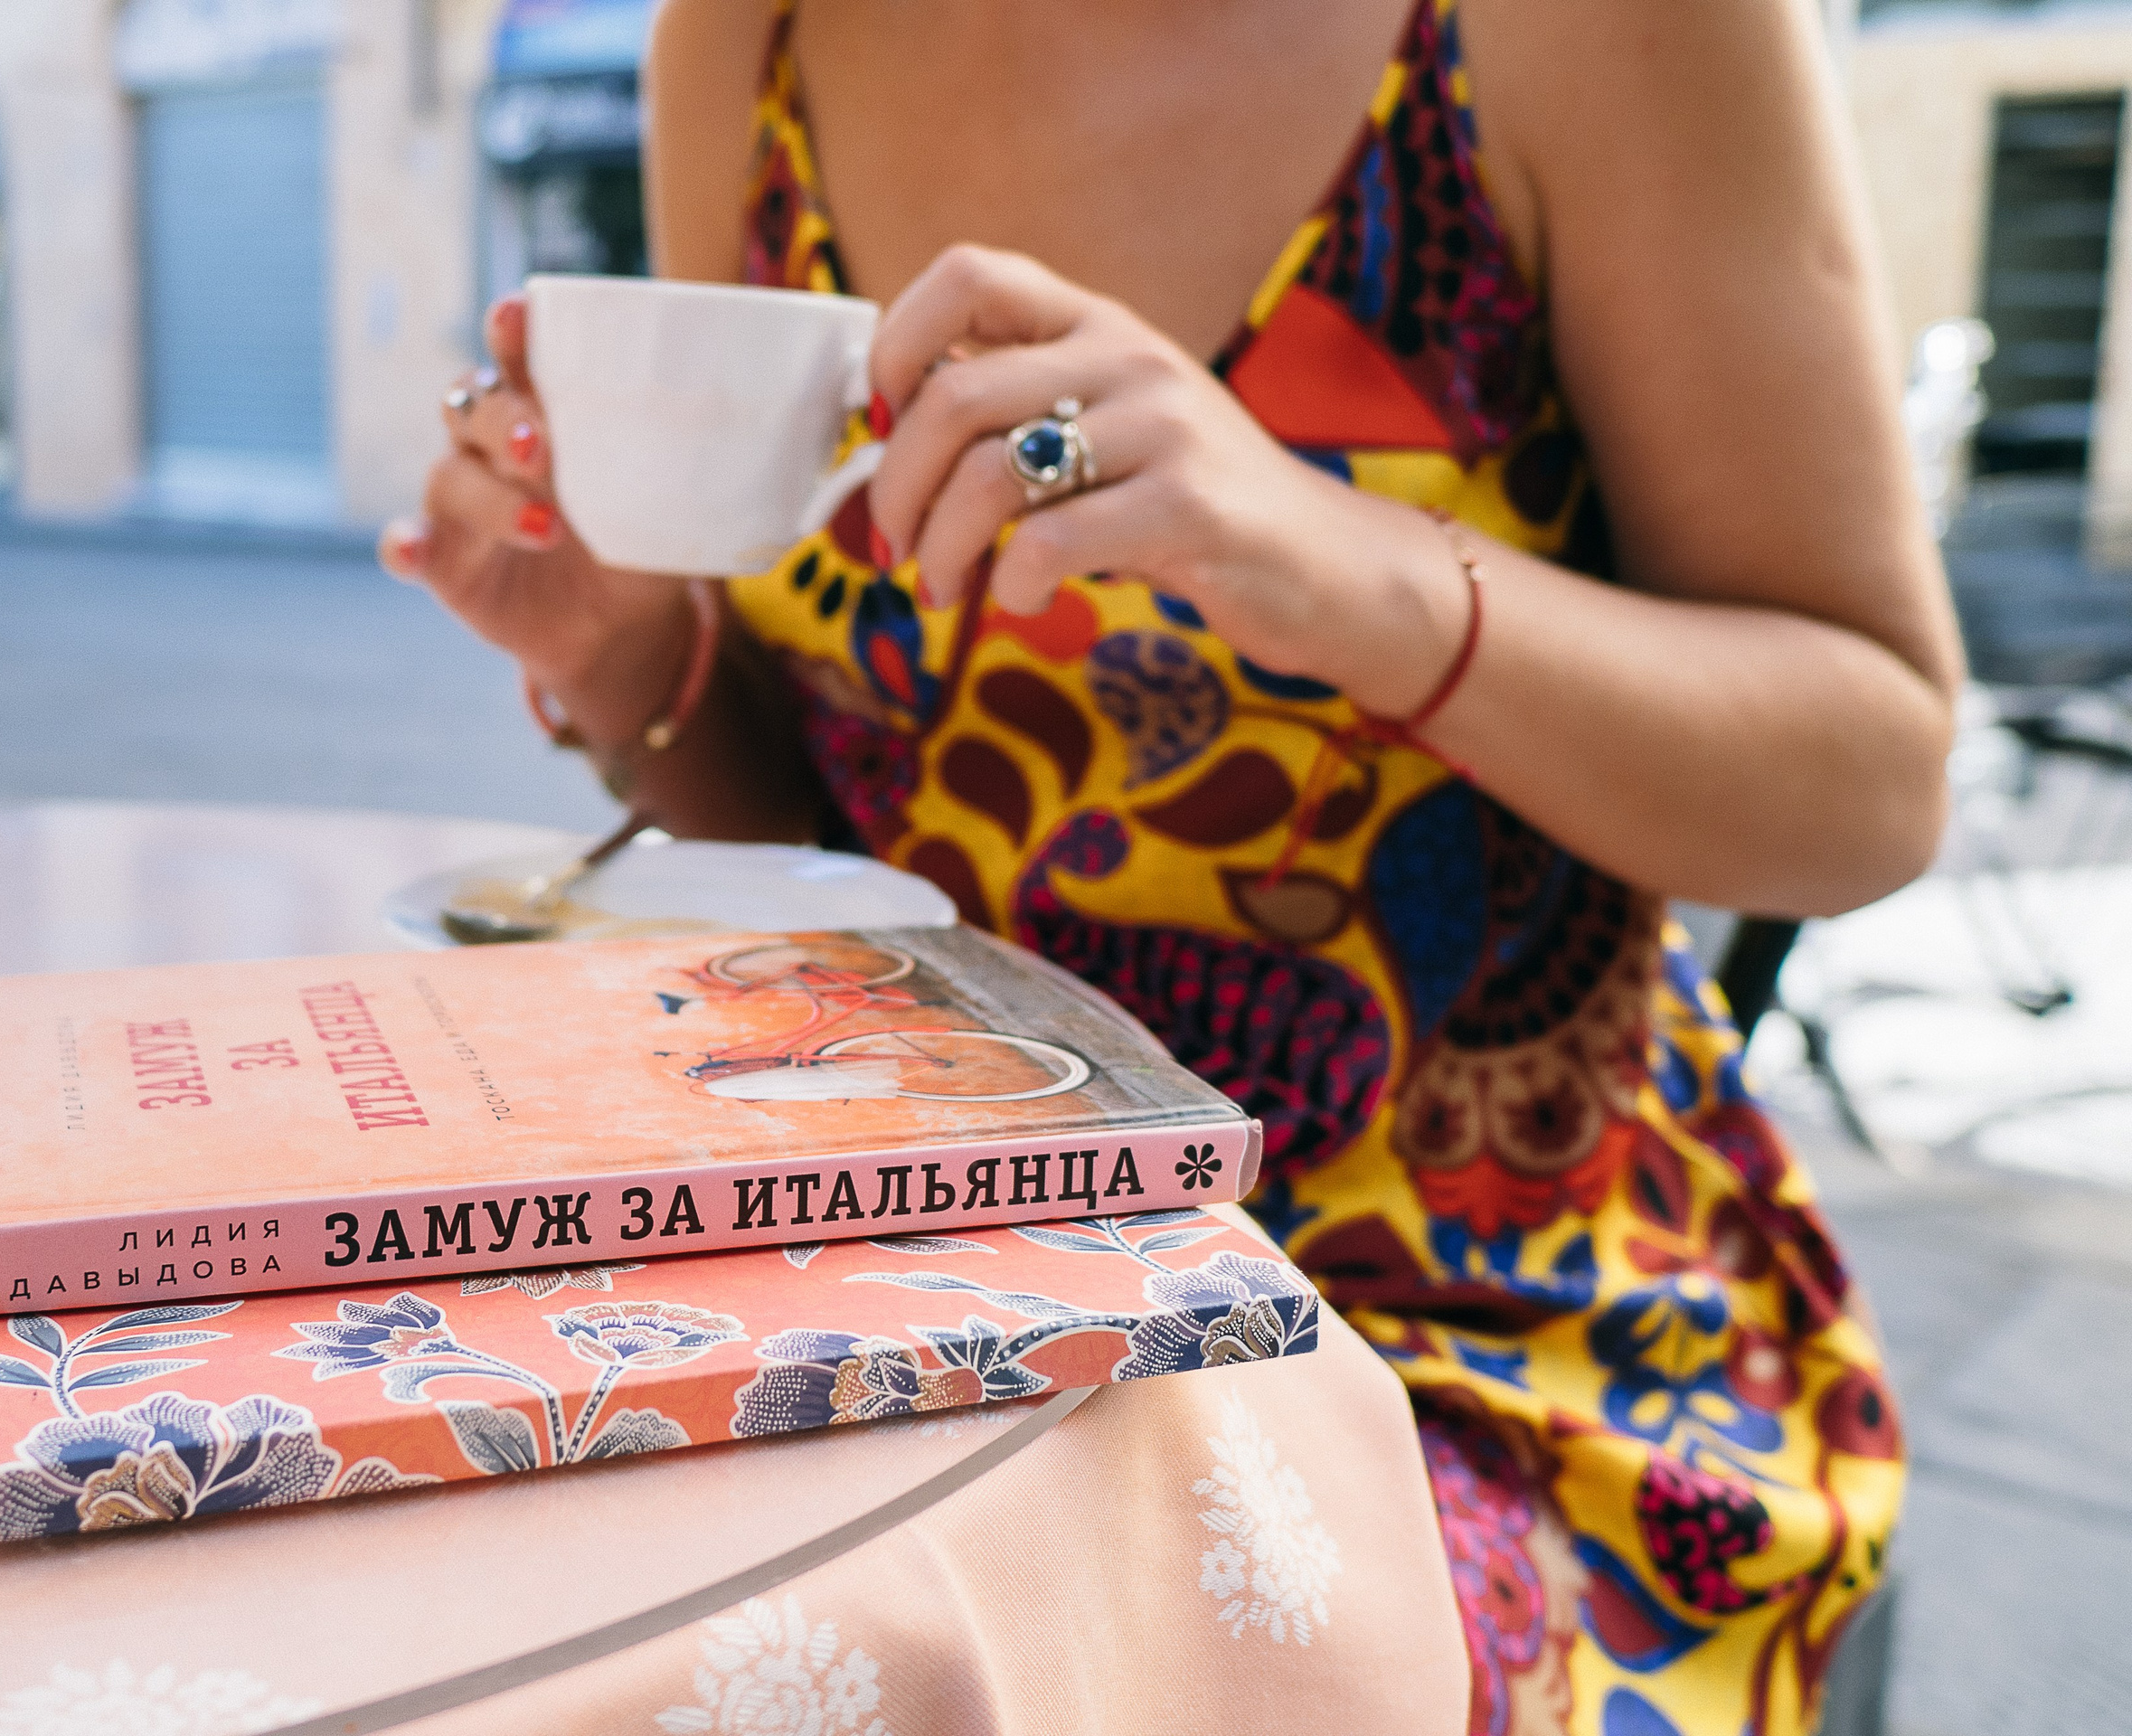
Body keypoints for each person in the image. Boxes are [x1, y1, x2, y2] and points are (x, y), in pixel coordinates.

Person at [384, 0, 1955, 1728]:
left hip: (1468, 1317)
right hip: (918, 1284)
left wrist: (1335, 562)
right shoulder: (745, 42)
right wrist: (632, 662)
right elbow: (841, 880)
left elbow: (1873, 777)